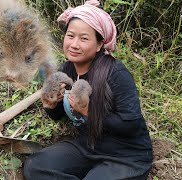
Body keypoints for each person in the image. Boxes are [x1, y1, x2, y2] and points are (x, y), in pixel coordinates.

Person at [24, 0, 153, 179]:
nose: (74, 44)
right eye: (70, 36)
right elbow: (59, 115)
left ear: (100, 44)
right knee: (35, 166)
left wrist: (88, 112)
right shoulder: (66, 70)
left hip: (126, 156)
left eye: (84, 38)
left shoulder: (115, 73)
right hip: (88, 147)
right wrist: (51, 106)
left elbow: (130, 124)